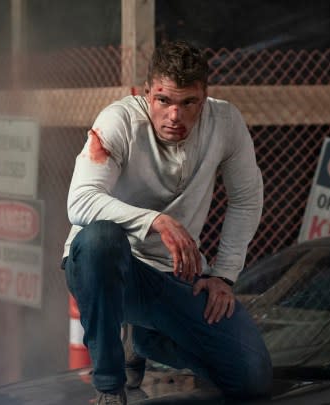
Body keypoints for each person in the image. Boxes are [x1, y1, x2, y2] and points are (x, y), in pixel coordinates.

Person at [61, 40, 272, 404]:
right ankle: (110, 386)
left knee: (252, 376)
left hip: (171, 276)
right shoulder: (119, 120)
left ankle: (144, 338)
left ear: (204, 98)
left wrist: (223, 275)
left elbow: (247, 197)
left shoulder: (225, 122)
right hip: (107, 270)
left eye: (188, 103)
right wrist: (156, 221)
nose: (174, 116)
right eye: (164, 101)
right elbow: (80, 201)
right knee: (100, 239)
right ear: (147, 94)